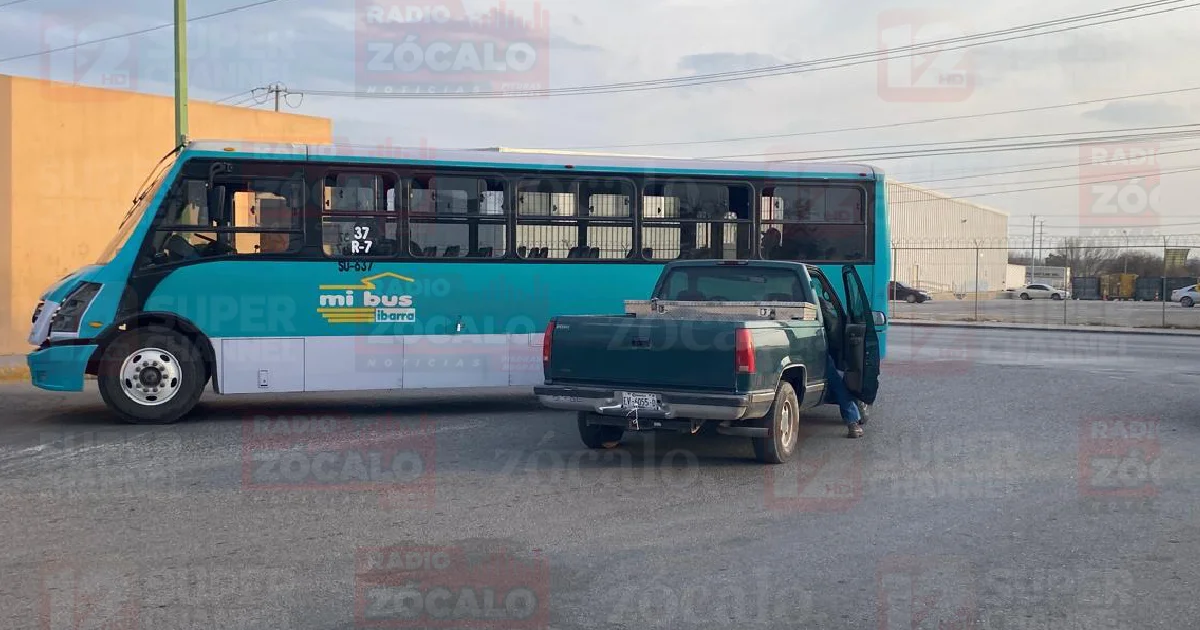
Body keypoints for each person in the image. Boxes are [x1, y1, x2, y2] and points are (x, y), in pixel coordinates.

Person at [818, 293, 864, 439]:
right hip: (816, 349)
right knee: (838, 383)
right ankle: (852, 423)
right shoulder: (816, 301)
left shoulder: (770, 299)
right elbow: (832, 326)